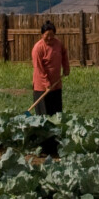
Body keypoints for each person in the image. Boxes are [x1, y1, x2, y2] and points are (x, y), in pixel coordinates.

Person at [30, 20, 70, 157]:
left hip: (56, 85)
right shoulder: (38, 48)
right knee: (44, 117)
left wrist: (66, 68)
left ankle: (55, 144)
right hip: (42, 88)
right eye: (47, 35)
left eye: (52, 35)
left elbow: (64, 55)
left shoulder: (58, 44)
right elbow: (39, 68)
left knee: (55, 114)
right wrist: (46, 83)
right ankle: (44, 147)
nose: (50, 38)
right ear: (42, 35)